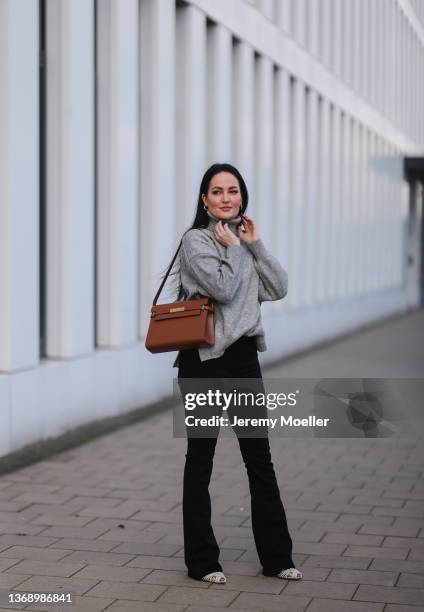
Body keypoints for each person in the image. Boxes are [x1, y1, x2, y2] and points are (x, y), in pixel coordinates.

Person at [173, 163, 302, 584]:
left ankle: (278, 557)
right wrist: (231, 248)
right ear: (204, 200)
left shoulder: (245, 242)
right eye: (216, 191)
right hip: (204, 362)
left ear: (241, 197)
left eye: (233, 190)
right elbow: (224, 290)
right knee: (201, 460)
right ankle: (203, 562)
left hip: (244, 358)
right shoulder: (196, 241)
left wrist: (257, 245)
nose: (226, 198)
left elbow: (278, 287)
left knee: (259, 459)